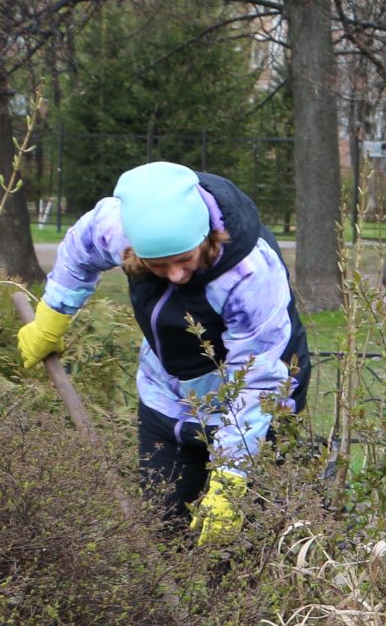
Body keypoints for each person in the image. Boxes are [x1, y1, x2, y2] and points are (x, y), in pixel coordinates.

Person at [18, 161, 311, 541]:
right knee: (164, 529)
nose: (175, 275)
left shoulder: (250, 274)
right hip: (164, 394)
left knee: (241, 543)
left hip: (255, 407)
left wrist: (232, 475)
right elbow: (80, 248)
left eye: (184, 260)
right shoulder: (118, 227)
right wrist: (53, 314)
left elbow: (258, 377)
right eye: (158, 265)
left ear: (206, 238)